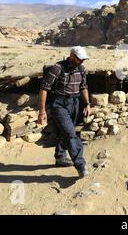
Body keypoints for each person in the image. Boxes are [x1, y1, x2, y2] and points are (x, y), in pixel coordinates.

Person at [37, 46, 91, 178]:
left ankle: (60, 157)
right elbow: (44, 89)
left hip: (75, 103)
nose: (81, 62)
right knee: (70, 133)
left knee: (65, 130)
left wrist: (87, 104)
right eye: (79, 59)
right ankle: (80, 165)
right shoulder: (57, 68)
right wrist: (42, 111)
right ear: (72, 56)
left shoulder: (81, 69)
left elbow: (83, 87)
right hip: (60, 104)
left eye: (83, 60)